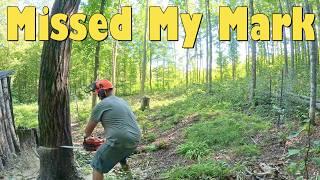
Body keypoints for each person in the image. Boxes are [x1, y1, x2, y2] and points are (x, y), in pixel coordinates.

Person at [84, 79, 141, 180]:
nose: (98, 95)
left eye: (97, 93)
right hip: (136, 138)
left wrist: (85, 139)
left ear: (102, 92)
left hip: (120, 139)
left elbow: (88, 131)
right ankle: (129, 177)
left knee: (97, 164)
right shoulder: (122, 101)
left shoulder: (101, 105)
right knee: (121, 157)